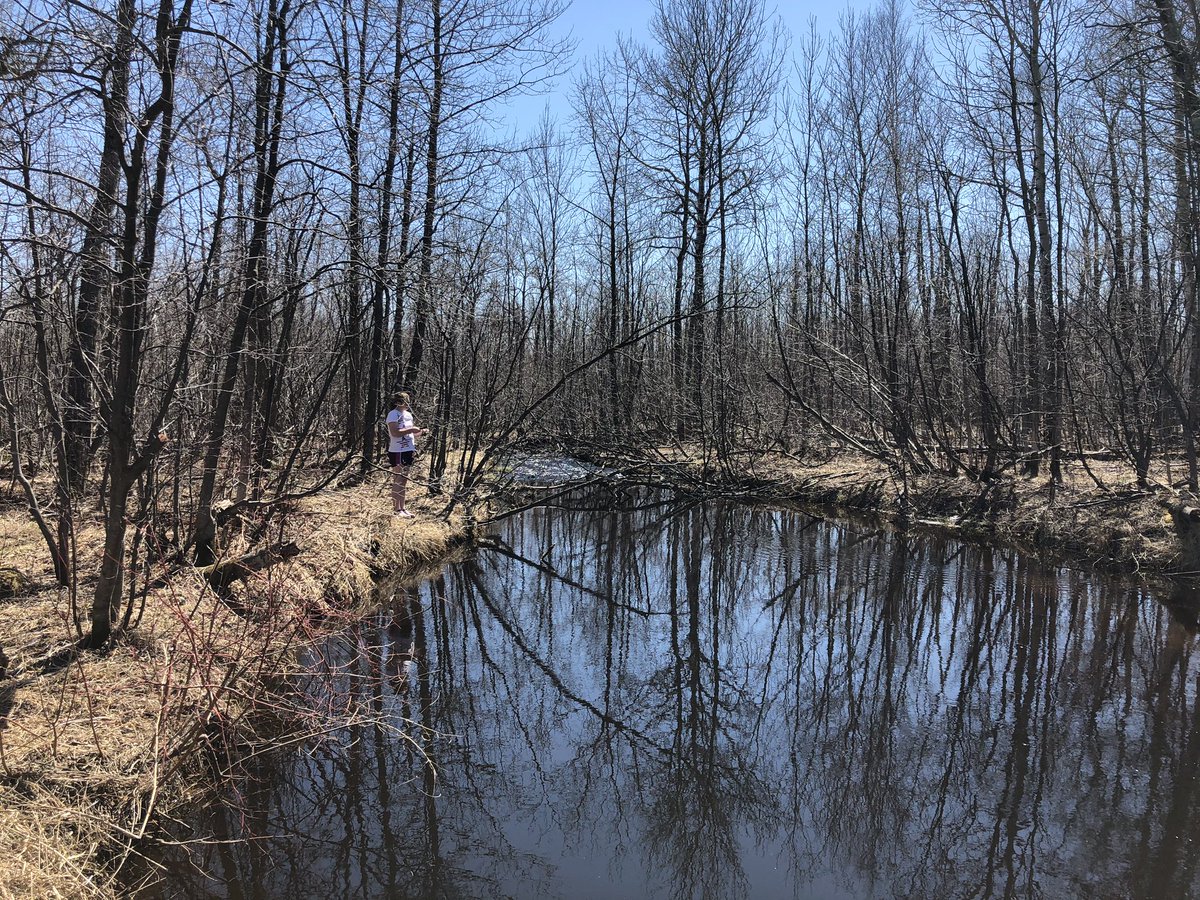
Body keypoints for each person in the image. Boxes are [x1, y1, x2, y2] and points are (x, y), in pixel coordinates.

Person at [385, 391, 428, 517]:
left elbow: (411, 434)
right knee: (398, 479)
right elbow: (395, 433)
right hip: (397, 450)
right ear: (398, 402)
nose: (408, 404)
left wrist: (421, 432)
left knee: (404, 480)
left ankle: (402, 508)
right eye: (406, 401)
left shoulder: (408, 415)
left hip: (408, 450)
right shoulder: (393, 414)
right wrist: (411, 429)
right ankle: (396, 510)